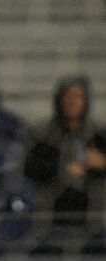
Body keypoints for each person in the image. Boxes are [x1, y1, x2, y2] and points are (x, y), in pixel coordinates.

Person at [24, 76, 100, 232]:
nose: (72, 102)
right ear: (59, 99)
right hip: (51, 208)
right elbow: (30, 167)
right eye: (68, 96)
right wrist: (62, 168)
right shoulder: (41, 133)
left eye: (78, 96)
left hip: (93, 208)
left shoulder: (99, 133)